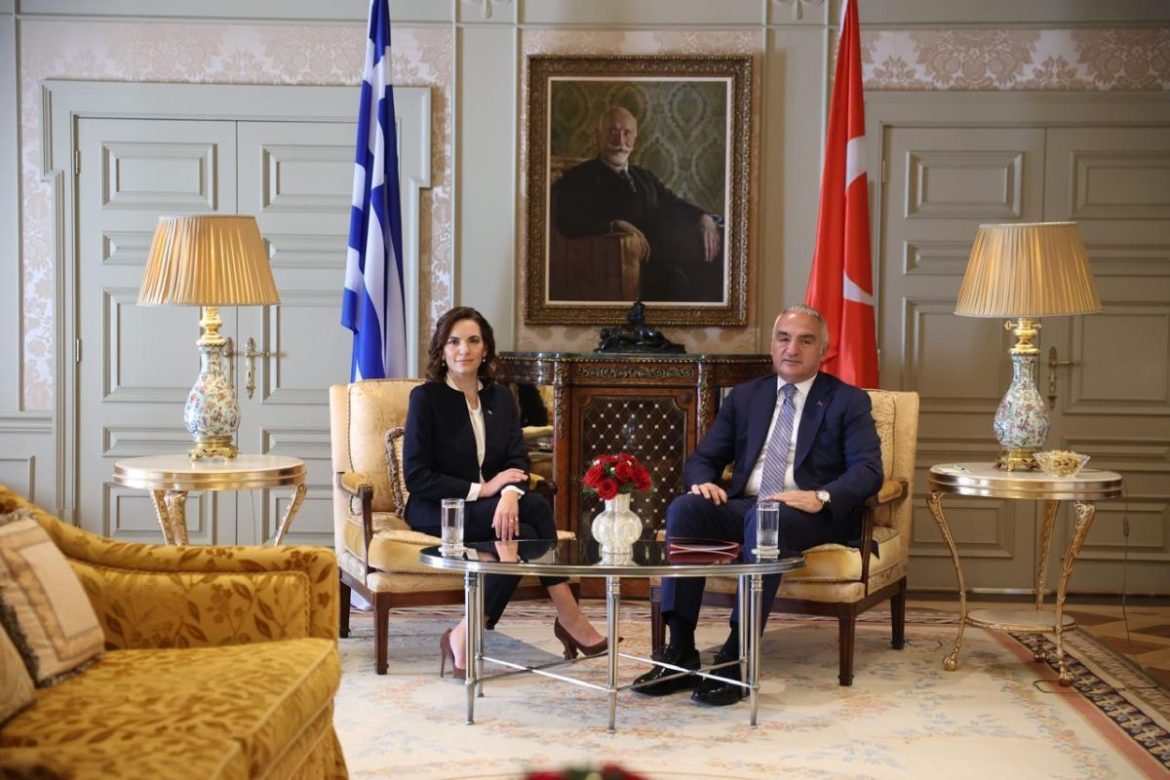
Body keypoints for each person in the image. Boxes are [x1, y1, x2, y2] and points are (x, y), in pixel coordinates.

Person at [633, 304, 883, 705]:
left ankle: (737, 657)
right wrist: (703, 483)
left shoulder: (847, 401)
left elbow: (868, 470)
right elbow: (703, 459)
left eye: (805, 340)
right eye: (784, 338)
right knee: (686, 509)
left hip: (811, 514)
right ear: (772, 344)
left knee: (770, 519)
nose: (792, 349)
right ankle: (679, 652)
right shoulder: (747, 396)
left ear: (824, 350)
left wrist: (820, 496)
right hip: (748, 506)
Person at [403, 306, 608, 678]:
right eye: (454, 342)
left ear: (485, 348)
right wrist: (485, 490)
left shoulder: (501, 397)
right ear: (441, 350)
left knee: (519, 533)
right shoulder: (426, 398)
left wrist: (510, 494)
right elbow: (416, 477)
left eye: (473, 341)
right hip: (440, 508)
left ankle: (464, 634)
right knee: (531, 521)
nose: (464, 350)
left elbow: (517, 460)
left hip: (494, 507)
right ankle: (569, 616)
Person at [553, 106, 722, 302]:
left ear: (634, 140)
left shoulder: (644, 177)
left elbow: (674, 203)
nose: (620, 141)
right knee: (678, 284)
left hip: (673, 258)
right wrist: (614, 224)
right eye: (613, 132)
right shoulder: (579, 177)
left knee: (718, 271)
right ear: (598, 136)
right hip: (637, 271)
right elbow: (567, 221)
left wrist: (704, 217)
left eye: (627, 133)